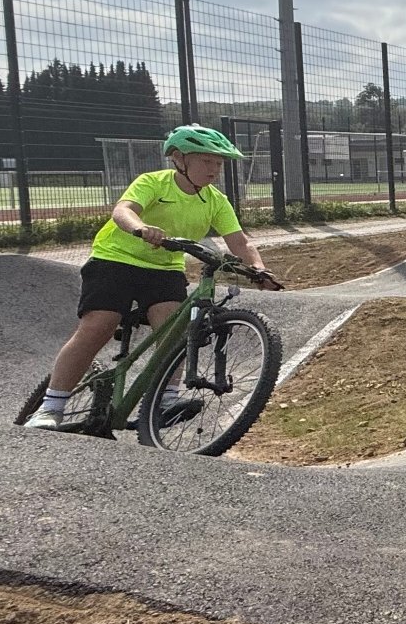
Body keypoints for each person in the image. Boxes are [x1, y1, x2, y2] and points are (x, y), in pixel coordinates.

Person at [23, 125, 280, 431]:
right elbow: (123, 211)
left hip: (164, 268)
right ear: (179, 158)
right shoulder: (153, 182)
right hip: (115, 259)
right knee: (99, 326)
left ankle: (166, 400)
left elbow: (240, 241)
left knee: (174, 333)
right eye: (206, 161)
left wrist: (258, 268)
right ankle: (51, 407)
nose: (214, 169)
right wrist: (140, 228)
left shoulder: (215, 200)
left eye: (219, 164)